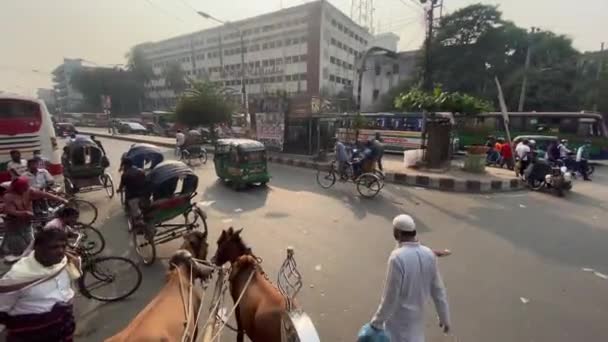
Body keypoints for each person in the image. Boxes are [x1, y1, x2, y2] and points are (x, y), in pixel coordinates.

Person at [370, 214, 450, 342]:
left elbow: (390, 297)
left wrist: (376, 323)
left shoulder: (397, 258)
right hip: (417, 321)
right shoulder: (428, 254)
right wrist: (444, 317)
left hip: (397, 324)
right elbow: (438, 290)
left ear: (398, 233)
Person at [0, 229, 79, 342]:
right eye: (54, 247)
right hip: (32, 335)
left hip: (63, 329)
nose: (61, 251)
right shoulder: (17, 277)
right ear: (37, 248)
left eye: (63, 246)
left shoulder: (63, 263)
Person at [0, 177, 67, 262]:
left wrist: (61, 199)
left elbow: (44, 194)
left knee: (30, 243)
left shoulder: (28, 191)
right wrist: (23, 213)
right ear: (17, 188)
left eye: (26, 187)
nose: (26, 189)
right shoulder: (8, 196)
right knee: (21, 246)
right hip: (14, 225)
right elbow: (10, 211)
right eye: (23, 188)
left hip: (27, 222)